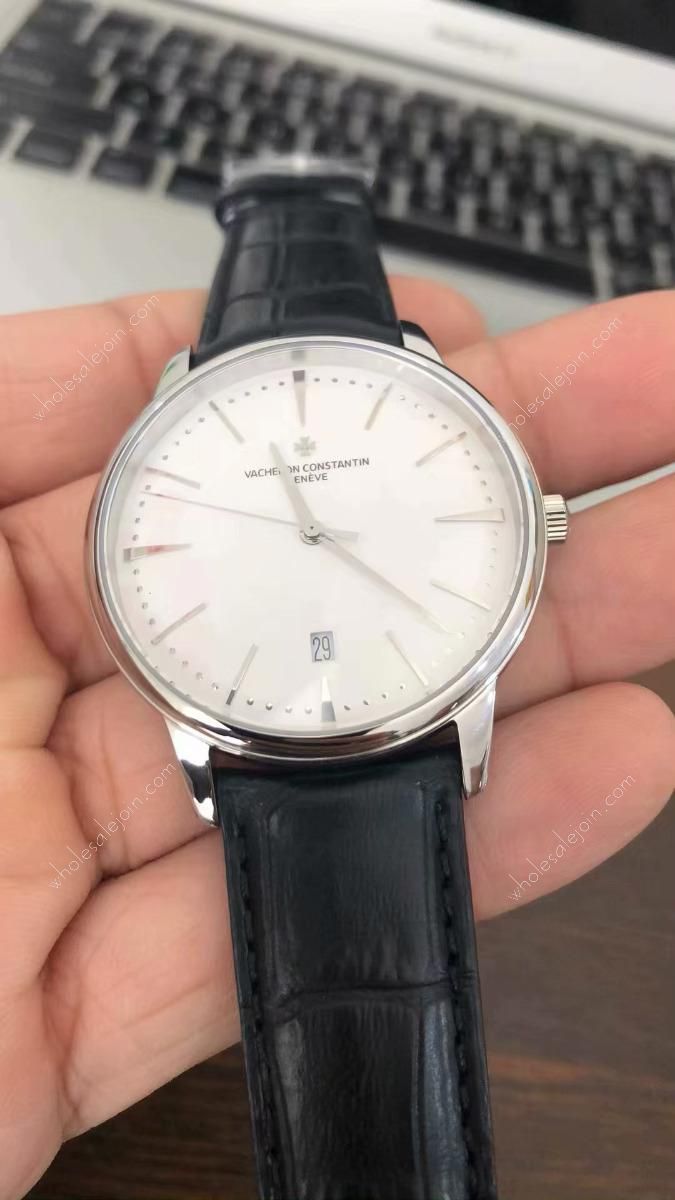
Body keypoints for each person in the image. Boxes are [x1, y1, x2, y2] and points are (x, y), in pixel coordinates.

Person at [0, 278, 673, 1200]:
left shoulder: (362, 397)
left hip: (406, 713)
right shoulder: (202, 417)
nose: (309, 530)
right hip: (255, 734)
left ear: (535, 522)